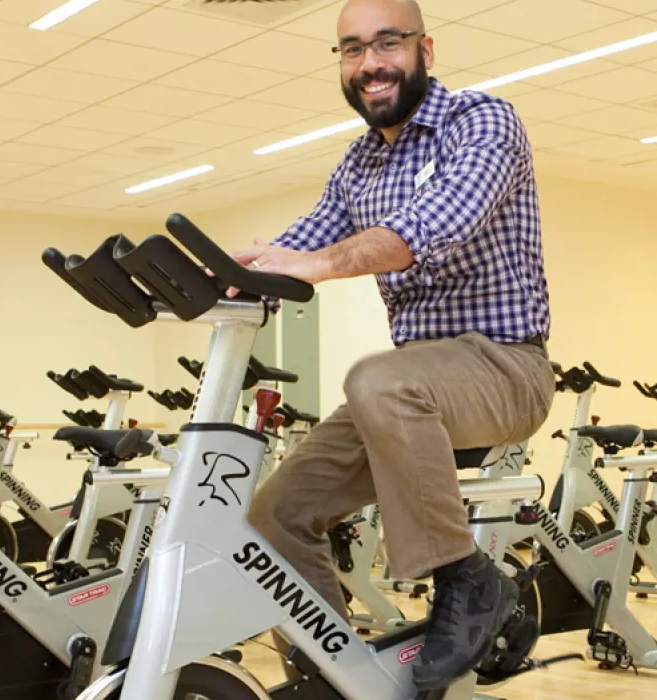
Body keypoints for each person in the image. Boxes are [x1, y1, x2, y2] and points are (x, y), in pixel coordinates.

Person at [229, 0, 552, 690]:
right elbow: (300, 243)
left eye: (386, 44)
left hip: (505, 368)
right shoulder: (358, 166)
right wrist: (224, 271)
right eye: (351, 50)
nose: (369, 63)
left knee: (378, 377)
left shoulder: (481, 121)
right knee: (273, 515)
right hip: (410, 392)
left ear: (425, 51)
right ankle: (332, 670)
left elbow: (435, 222)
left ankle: (468, 581)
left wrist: (318, 265)